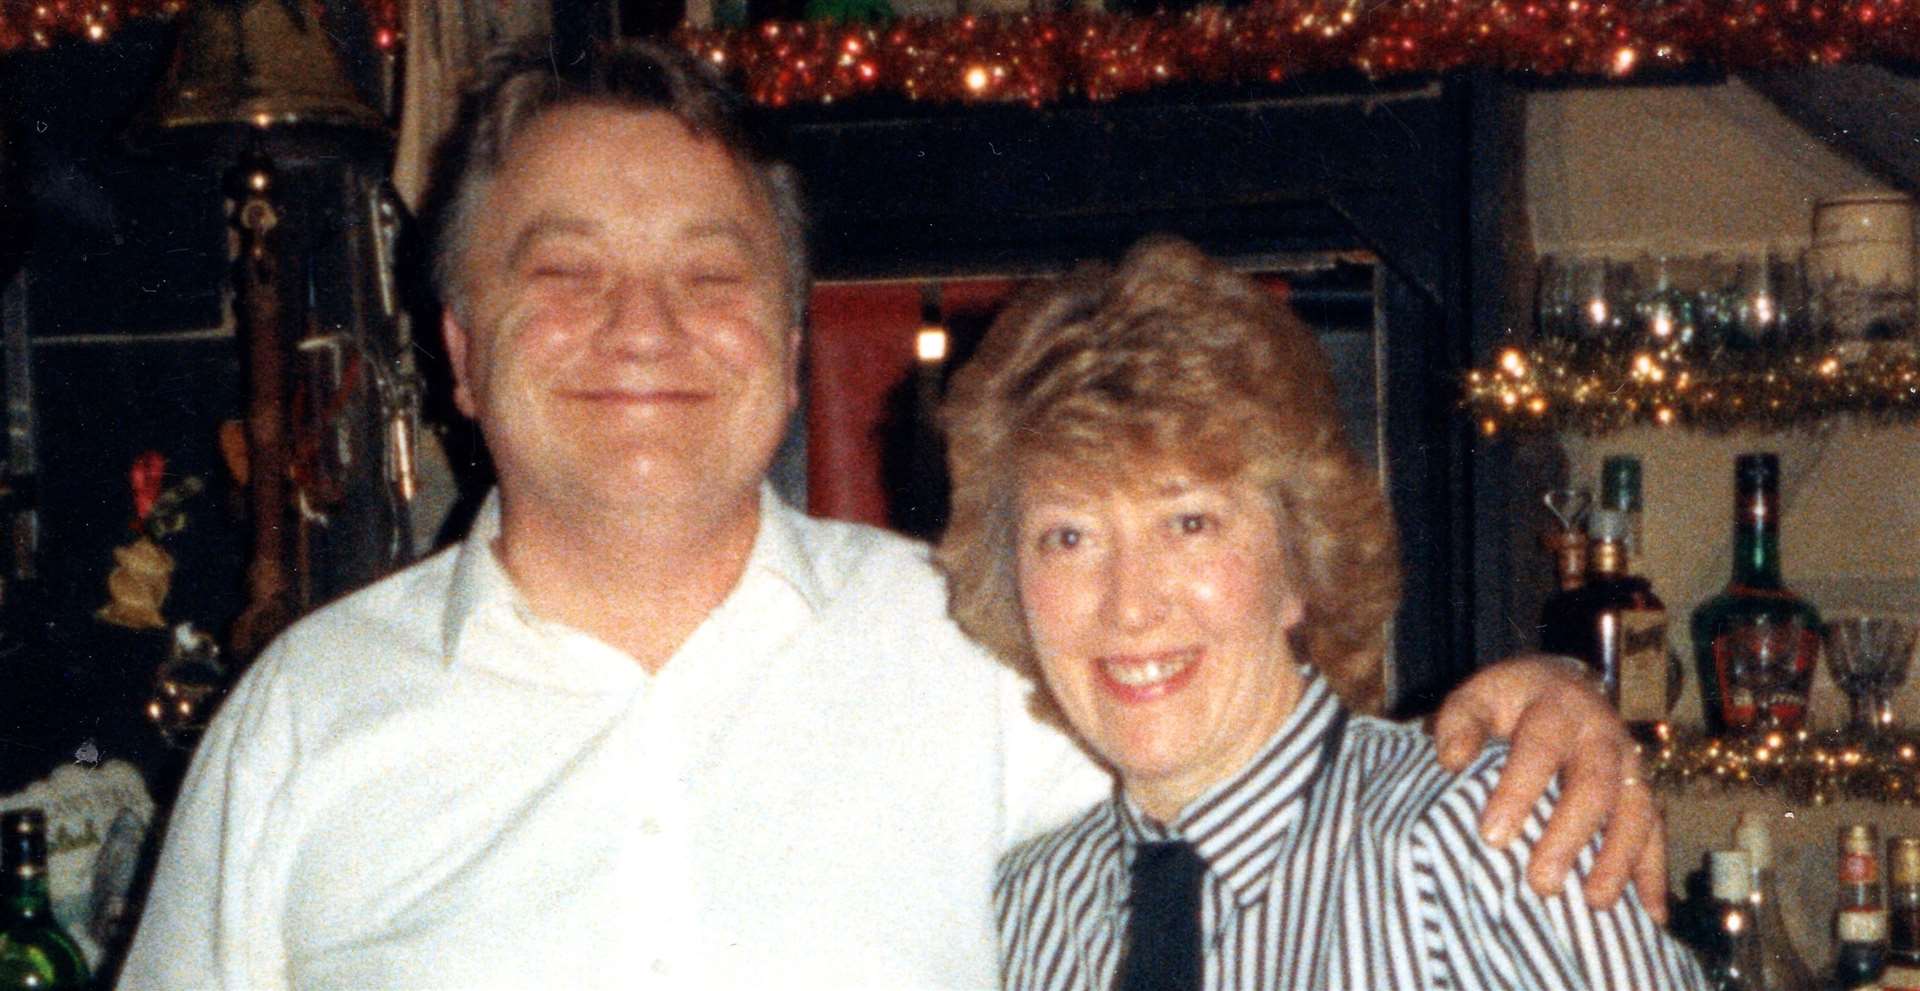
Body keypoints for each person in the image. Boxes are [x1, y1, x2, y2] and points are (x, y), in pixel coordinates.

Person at [120, 38, 1662, 990]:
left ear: (782, 344)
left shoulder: (978, 648)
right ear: (457, 348)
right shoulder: (302, 722)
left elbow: (1256, 749)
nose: (642, 327)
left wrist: (1541, 699)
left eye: (712, 272)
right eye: (564, 271)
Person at [940, 237, 1703, 991]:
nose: (1131, 603)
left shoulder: (1475, 834)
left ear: (1301, 558)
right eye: (1068, 537)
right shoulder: (1026, 913)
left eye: (1189, 523)